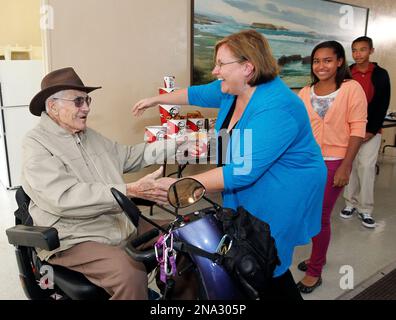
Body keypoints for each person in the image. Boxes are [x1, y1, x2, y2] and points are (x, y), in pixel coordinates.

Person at [132, 30, 327, 300]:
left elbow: (242, 171)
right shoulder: (232, 90)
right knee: (242, 253)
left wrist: (182, 185)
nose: (214, 71)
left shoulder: (277, 107)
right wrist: (157, 99)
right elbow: (196, 93)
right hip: (247, 182)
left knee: (266, 261)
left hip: (283, 189)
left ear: (248, 67)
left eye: (221, 64)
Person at [21, 67, 178, 300]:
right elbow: (63, 197)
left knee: (182, 236)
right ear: (53, 107)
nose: (86, 107)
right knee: (130, 273)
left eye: (87, 100)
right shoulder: (36, 144)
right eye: (78, 101)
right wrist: (128, 191)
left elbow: (129, 155)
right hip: (74, 236)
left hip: (117, 223)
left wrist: (179, 145)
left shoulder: (88, 136)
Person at [297, 41, 367, 293]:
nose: (321, 65)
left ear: (339, 62)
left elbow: (358, 129)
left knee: (319, 216)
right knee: (308, 213)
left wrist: (346, 166)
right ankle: (319, 256)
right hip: (307, 163)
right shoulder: (305, 92)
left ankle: (315, 271)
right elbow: (299, 131)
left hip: (335, 161)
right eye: (316, 61)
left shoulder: (351, 89)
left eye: (327, 60)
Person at [341, 36, 391, 228]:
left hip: (371, 130)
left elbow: (382, 103)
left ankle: (366, 209)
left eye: (362, 50)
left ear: (371, 51)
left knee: (367, 168)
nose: (357, 54)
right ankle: (349, 204)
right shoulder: (346, 73)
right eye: (354, 50)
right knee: (350, 166)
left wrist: (370, 130)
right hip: (348, 130)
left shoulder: (380, 74)